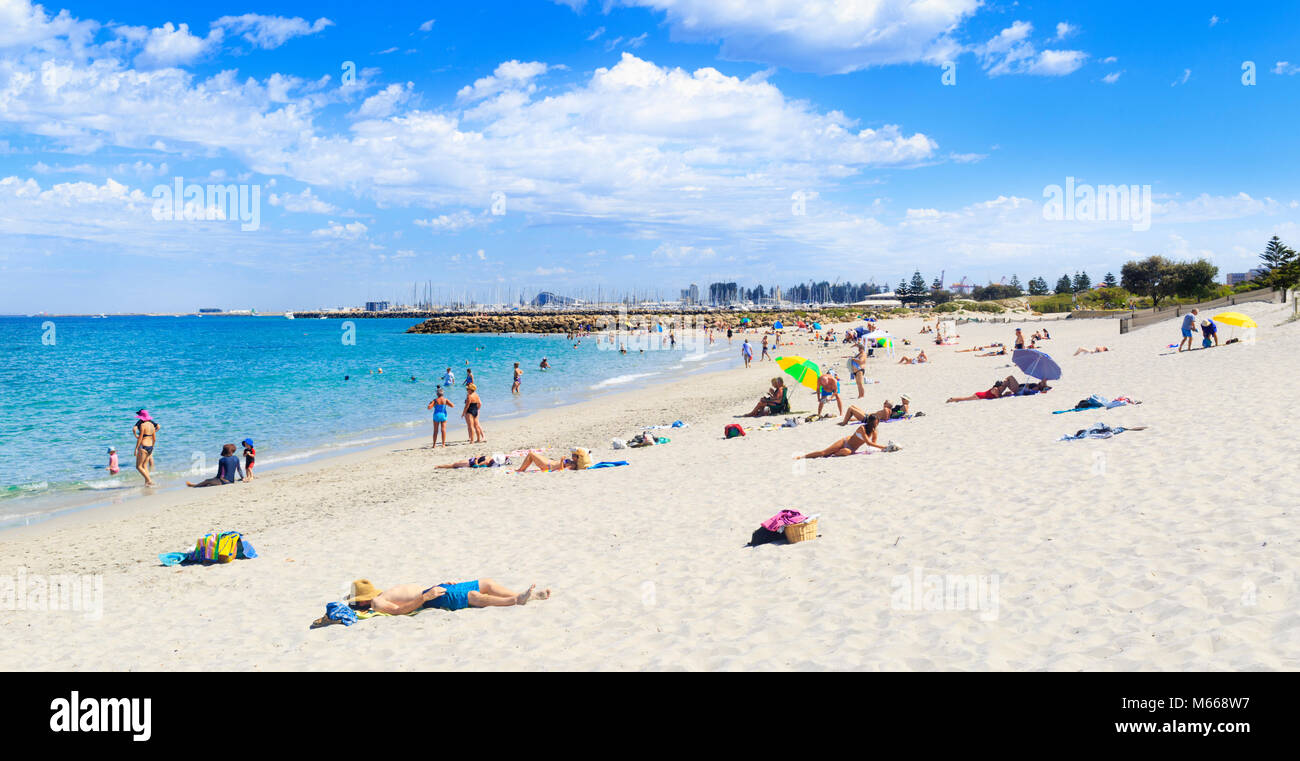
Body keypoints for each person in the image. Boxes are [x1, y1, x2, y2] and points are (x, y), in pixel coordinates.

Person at [346, 578, 550, 614]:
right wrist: (425, 598)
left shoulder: (381, 595)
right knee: (473, 596)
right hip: (431, 598)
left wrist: (439, 583)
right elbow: (400, 610)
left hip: (435, 590)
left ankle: (525, 595)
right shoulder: (377, 602)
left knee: (487, 582)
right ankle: (516, 600)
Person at [796, 414, 893, 458]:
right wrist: (884, 447)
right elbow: (868, 442)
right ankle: (804, 456)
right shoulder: (862, 428)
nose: (876, 425)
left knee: (846, 451)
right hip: (845, 441)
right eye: (875, 423)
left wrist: (882, 449)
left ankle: (835, 453)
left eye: (877, 423)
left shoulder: (874, 431)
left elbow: (872, 445)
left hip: (851, 449)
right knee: (823, 452)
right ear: (870, 422)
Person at [133, 410, 160, 486]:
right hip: (150, 446)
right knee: (145, 466)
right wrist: (152, 447)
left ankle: (149, 480)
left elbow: (140, 438)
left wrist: (136, 448)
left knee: (138, 467)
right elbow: (154, 439)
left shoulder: (142, 425)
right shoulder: (152, 425)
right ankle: (146, 482)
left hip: (144, 446)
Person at [436, 452, 508, 469]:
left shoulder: (487, 461)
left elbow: (476, 465)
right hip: (471, 460)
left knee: (454, 465)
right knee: (456, 463)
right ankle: (440, 466)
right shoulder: (490, 458)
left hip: (470, 462)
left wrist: (476, 458)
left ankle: (439, 466)